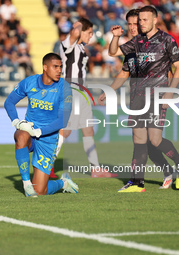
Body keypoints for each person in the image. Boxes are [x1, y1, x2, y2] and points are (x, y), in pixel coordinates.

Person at [108, 5, 179, 192]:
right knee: (139, 139)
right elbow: (113, 53)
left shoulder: (167, 40)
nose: (140, 24)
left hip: (157, 96)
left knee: (155, 140)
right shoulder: (137, 41)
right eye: (138, 20)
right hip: (137, 98)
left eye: (143, 20)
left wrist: (170, 93)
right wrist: (116, 37)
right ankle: (137, 183)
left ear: (154, 20)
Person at [4, 53, 79, 197]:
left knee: (40, 191)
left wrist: (39, 131)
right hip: (29, 134)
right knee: (20, 134)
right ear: (45, 67)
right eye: (55, 67)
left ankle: (63, 183)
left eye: (61, 67)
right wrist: (16, 122)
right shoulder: (29, 82)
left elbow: (63, 120)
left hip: (48, 139)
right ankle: (27, 184)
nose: (59, 70)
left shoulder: (64, 87)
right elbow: (9, 102)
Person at [56, 17, 117, 178]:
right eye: (89, 32)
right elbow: (74, 31)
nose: (91, 36)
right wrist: (79, 24)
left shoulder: (81, 48)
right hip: (71, 92)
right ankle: (45, 166)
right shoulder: (68, 46)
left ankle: (96, 169)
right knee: (65, 131)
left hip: (81, 93)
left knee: (88, 130)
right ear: (80, 31)